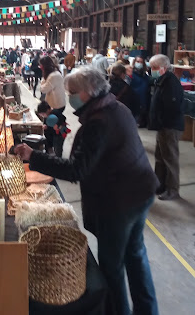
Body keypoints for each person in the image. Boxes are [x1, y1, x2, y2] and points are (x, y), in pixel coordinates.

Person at [15, 67, 159, 315]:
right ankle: (147, 310)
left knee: (112, 268)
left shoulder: (99, 122)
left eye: (72, 92)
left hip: (120, 201)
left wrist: (34, 157)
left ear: (89, 92)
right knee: (136, 256)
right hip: (139, 192)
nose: (69, 97)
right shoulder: (115, 107)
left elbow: (76, 170)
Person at [149, 54, 184, 200]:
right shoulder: (161, 80)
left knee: (170, 158)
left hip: (169, 127)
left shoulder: (171, 83)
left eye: (155, 68)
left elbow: (172, 108)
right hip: (162, 126)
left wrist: (162, 121)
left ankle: (172, 189)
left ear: (163, 68)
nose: (152, 70)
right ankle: (160, 184)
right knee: (160, 157)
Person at [131, 56, 151, 127]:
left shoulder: (145, 75)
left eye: (141, 62)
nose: (139, 64)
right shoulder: (131, 74)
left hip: (143, 99)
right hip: (134, 100)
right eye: (138, 62)